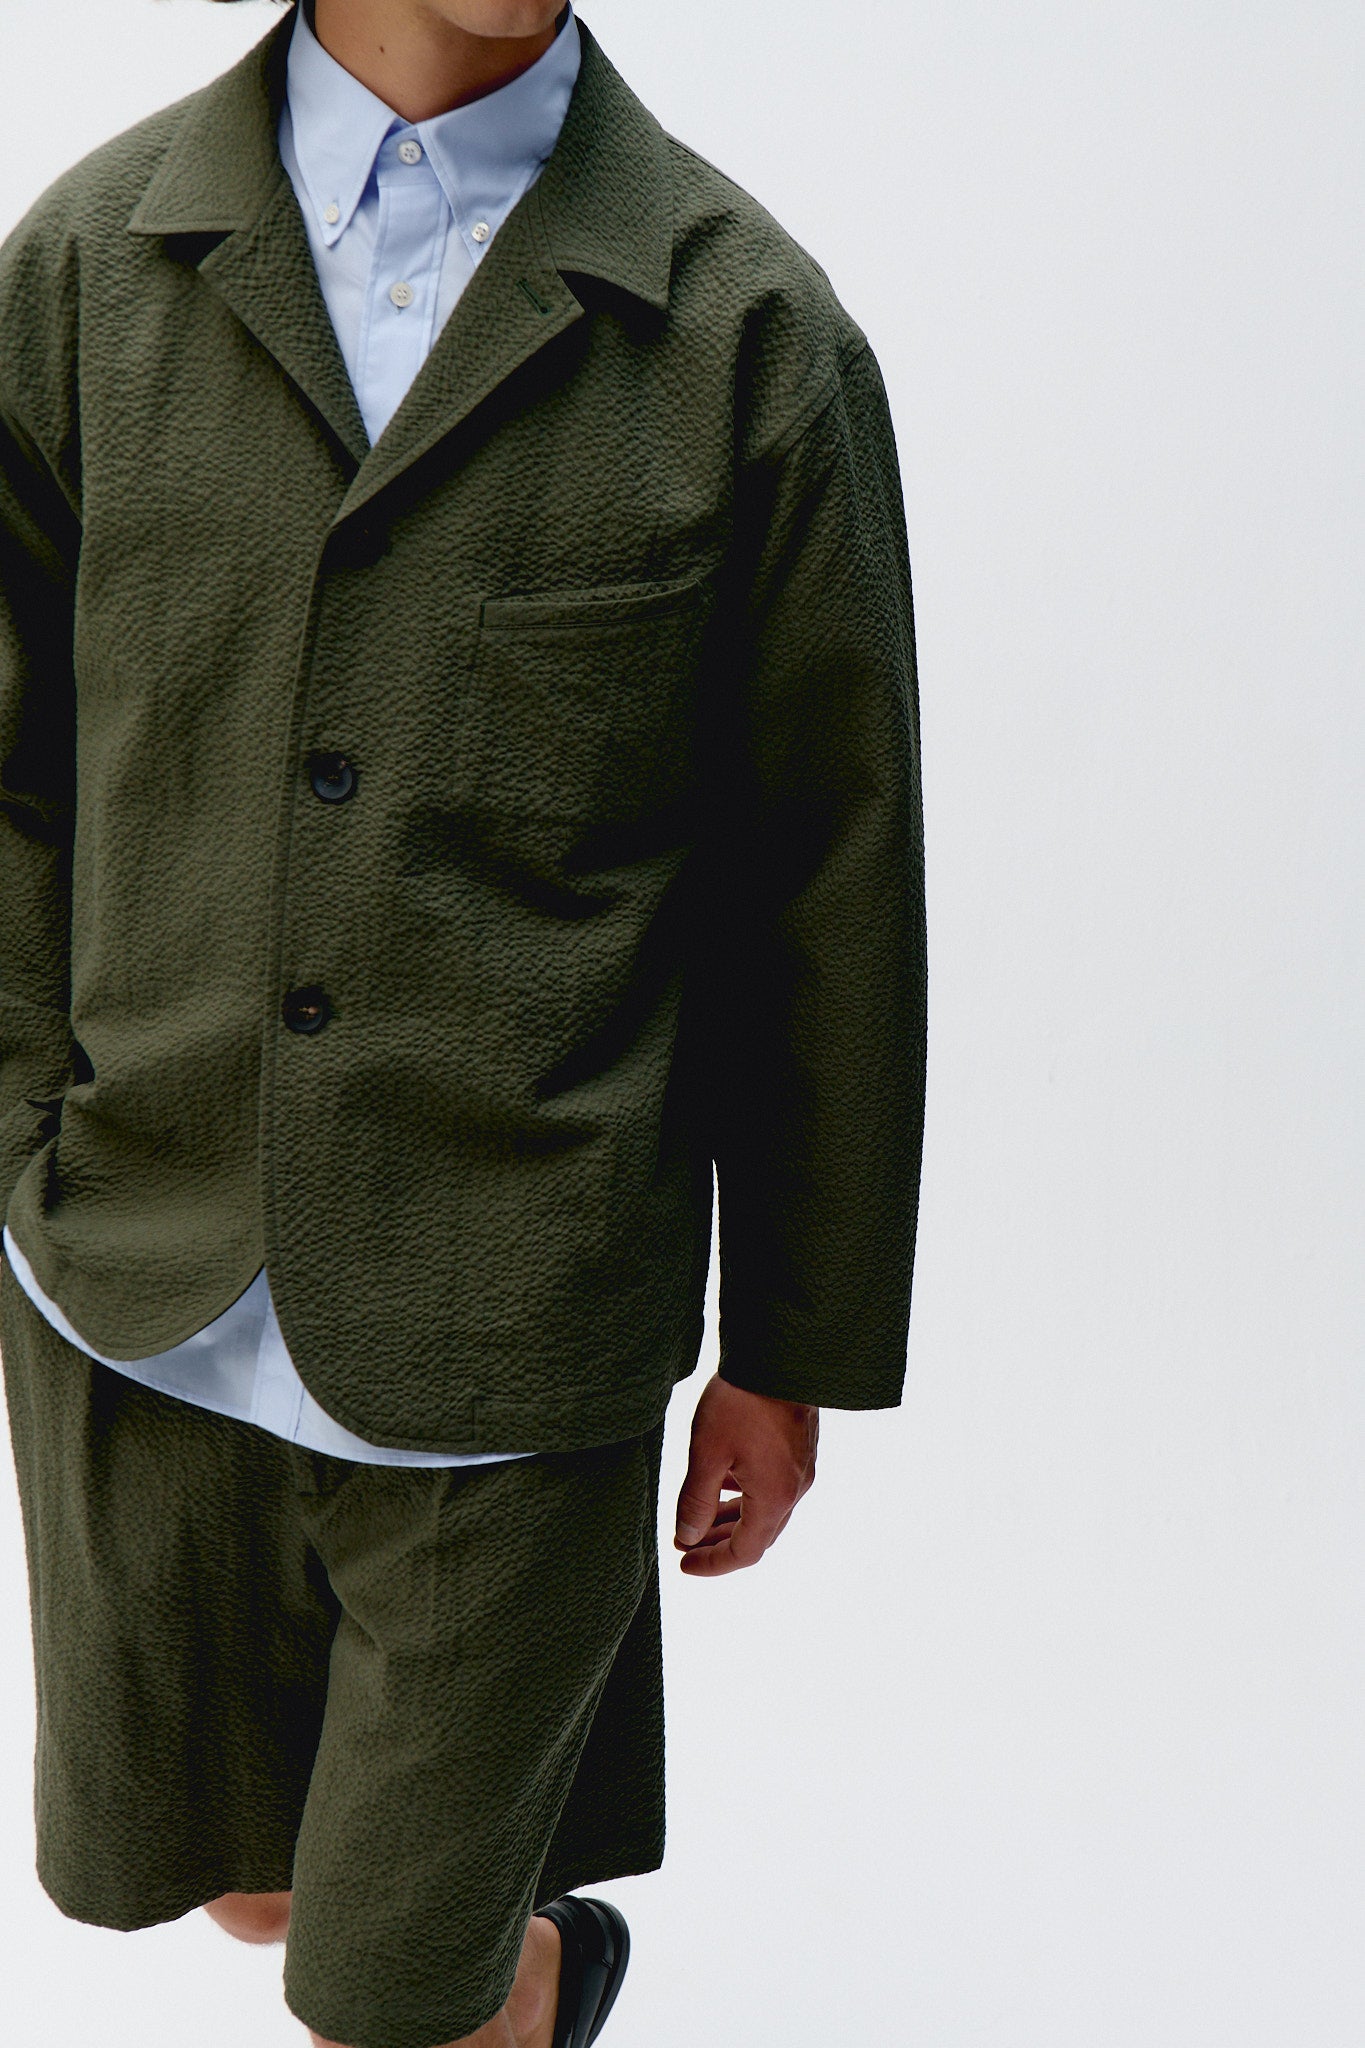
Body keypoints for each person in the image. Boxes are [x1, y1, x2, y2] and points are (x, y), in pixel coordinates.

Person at [0, 0, 927, 2042]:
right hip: (135, 1284)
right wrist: (19, 1150)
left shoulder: (745, 331)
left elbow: (825, 887)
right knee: (250, 1886)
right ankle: (535, 1975)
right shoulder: (81, 268)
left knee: (377, 2001)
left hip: (514, 1315)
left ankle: (462, 1987)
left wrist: (790, 1346)